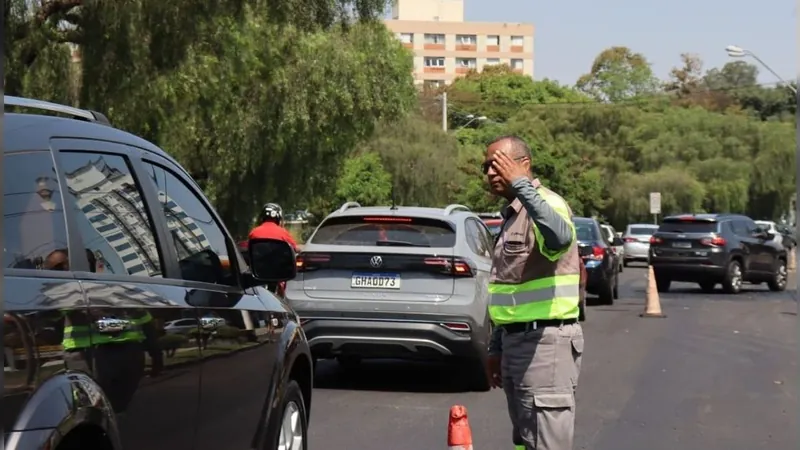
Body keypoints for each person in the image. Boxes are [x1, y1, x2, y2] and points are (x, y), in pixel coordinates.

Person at [482, 136, 584, 450]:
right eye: (486, 166)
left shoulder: (546, 203)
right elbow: (511, 292)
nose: (489, 173)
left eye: (497, 164)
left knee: (545, 442)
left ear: (523, 165)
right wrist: (497, 346)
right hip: (517, 343)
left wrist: (523, 186)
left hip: (545, 345)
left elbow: (558, 238)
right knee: (525, 439)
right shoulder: (513, 216)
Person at [248, 203, 298, 296]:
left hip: (258, 271)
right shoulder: (283, 233)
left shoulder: (254, 232)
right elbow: (294, 249)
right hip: (278, 273)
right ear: (278, 218)